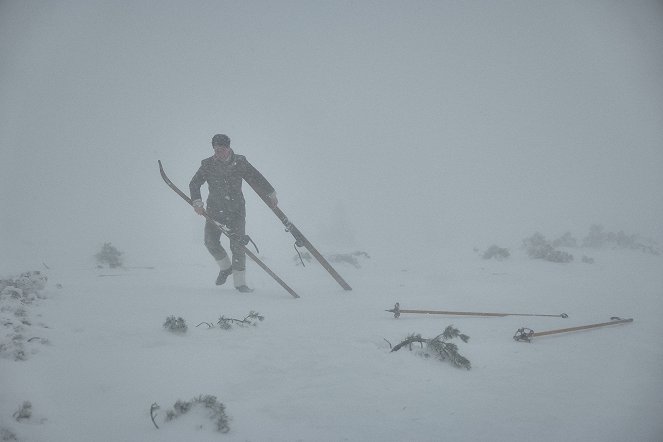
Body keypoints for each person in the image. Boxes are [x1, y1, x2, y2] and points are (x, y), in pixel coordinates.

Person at [190, 134, 278, 292]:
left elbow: (256, 177)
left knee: (237, 247)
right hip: (214, 211)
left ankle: (240, 284)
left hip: (236, 211)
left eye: (221, 150)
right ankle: (225, 268)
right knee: (210, 242)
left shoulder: (240, 162)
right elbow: (194, 183)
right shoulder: (207, 164)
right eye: (216, 150)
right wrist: (197, 202)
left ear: (228, 148)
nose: (218, 153)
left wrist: (270, 192)